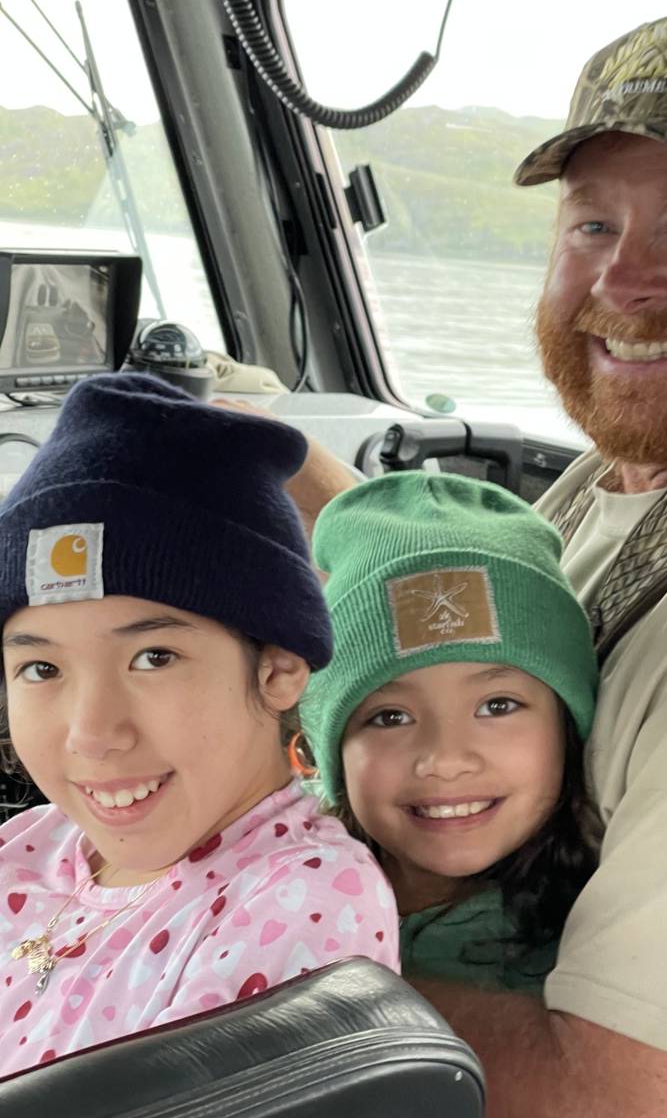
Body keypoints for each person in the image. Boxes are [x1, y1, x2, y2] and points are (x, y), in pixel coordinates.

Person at [280, 9, 667, 1117]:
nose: (625, 280)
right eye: (592, 226)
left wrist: (216, 961)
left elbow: (631, 1095)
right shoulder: (656, 462)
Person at [0, 372, 398, 1078]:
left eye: (154, 657)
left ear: (277, 668)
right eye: (41, 669)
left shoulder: (299, 903)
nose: (91, 734)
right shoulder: (31, 846)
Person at [295, 471, 600, 993]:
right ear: (331, 751)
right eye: (390, 717)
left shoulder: (591, 941)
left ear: (566, 727)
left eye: (497, 705)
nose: (445, 758)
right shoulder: (284, 866)